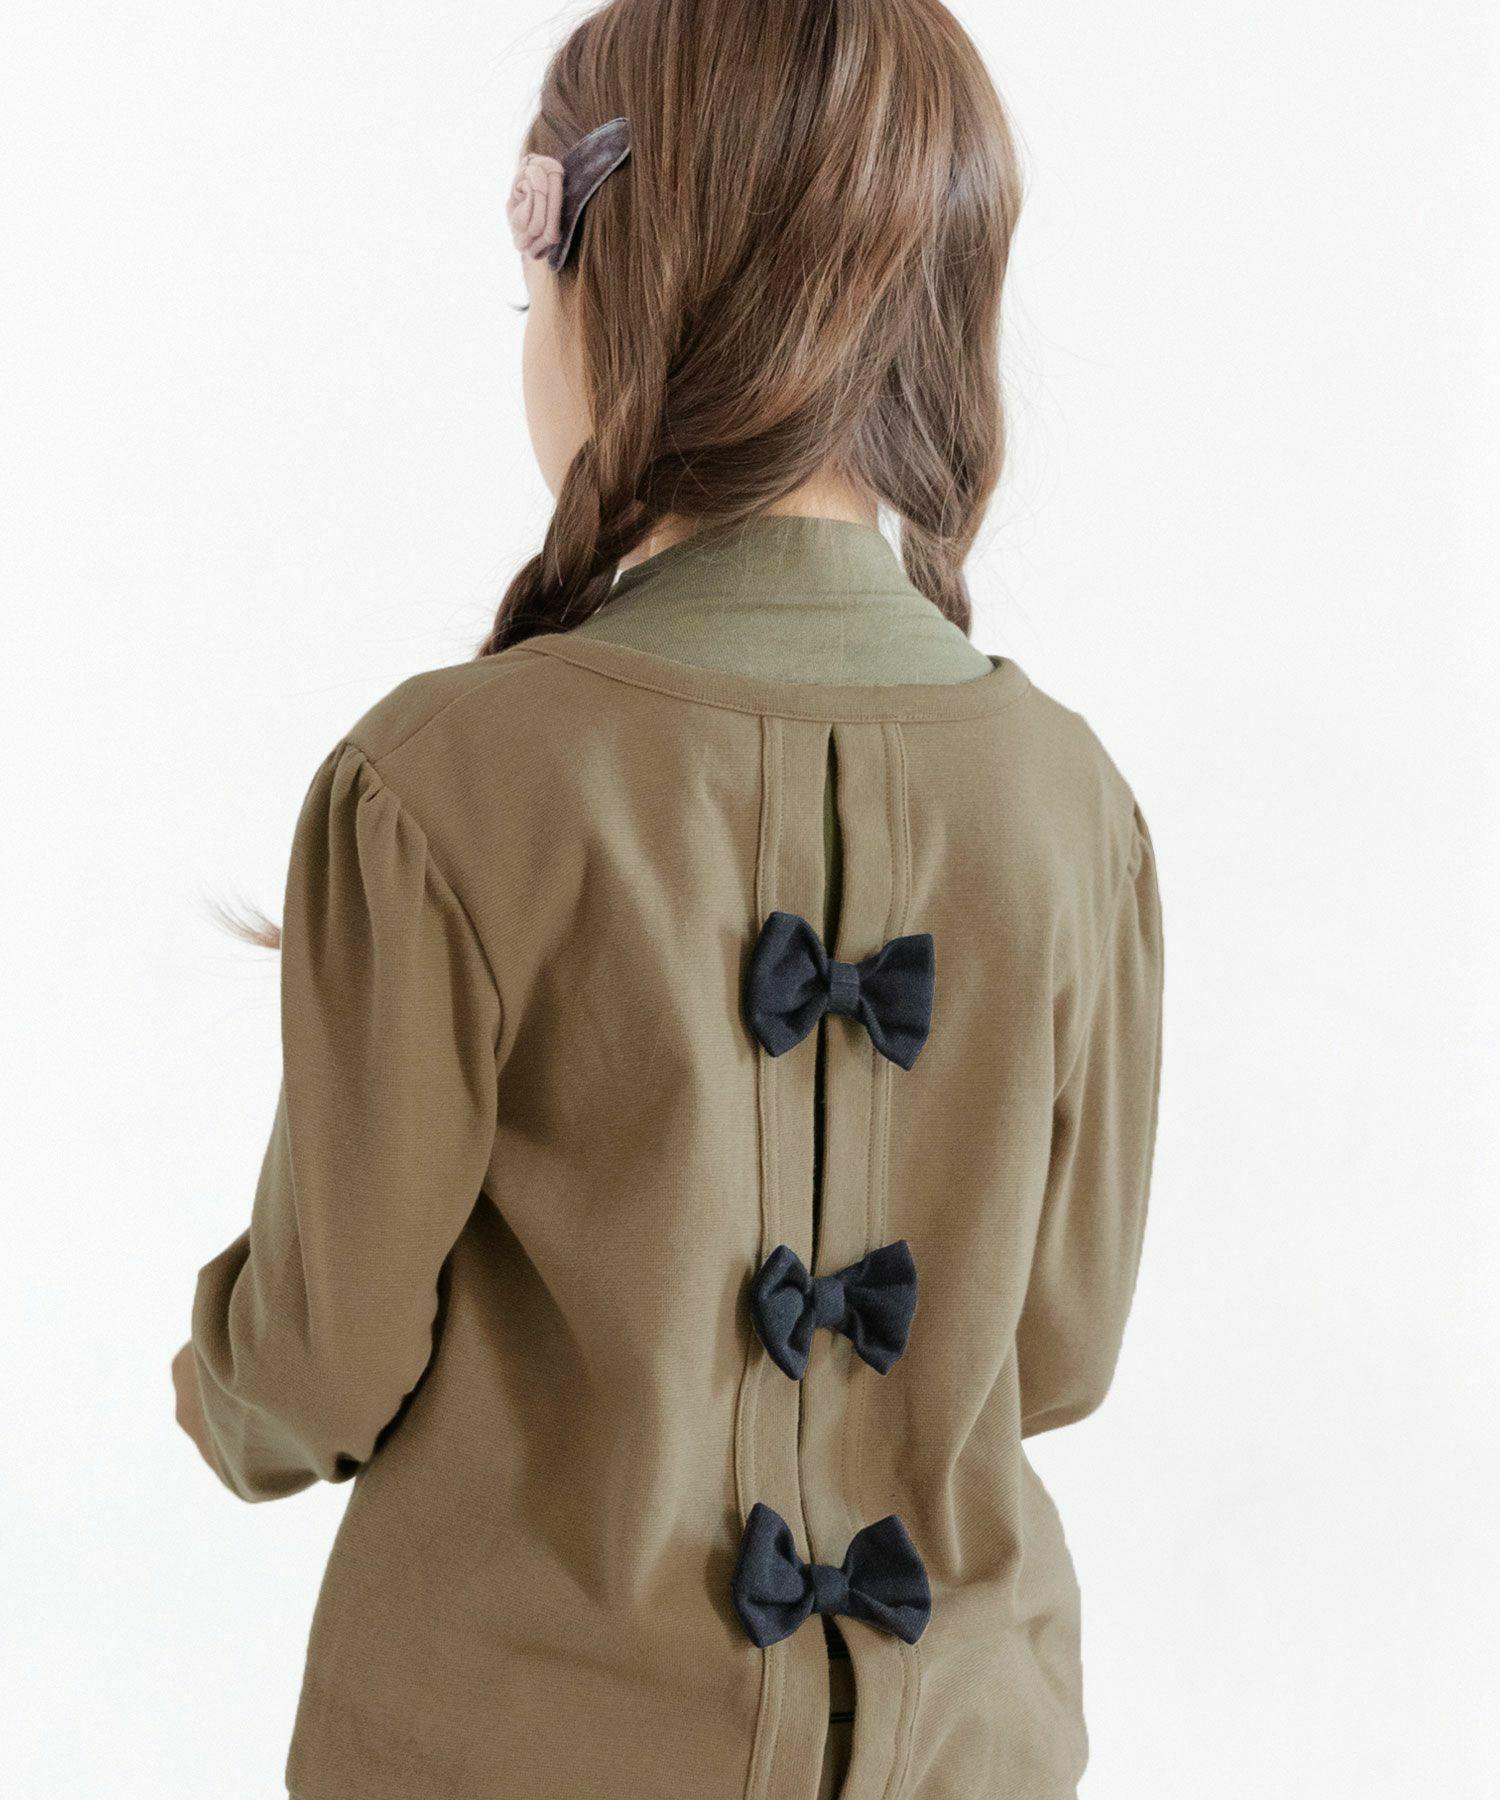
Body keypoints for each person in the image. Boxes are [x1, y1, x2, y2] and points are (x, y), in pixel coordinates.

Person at [172, 2, 1165, 1796]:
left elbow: (316, 1369)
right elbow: (1063, 1348)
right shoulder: (1072, 800)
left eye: (530, 295)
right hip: (965, 1751)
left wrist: (215, 1387)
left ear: (607, 293)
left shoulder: (443, 779)